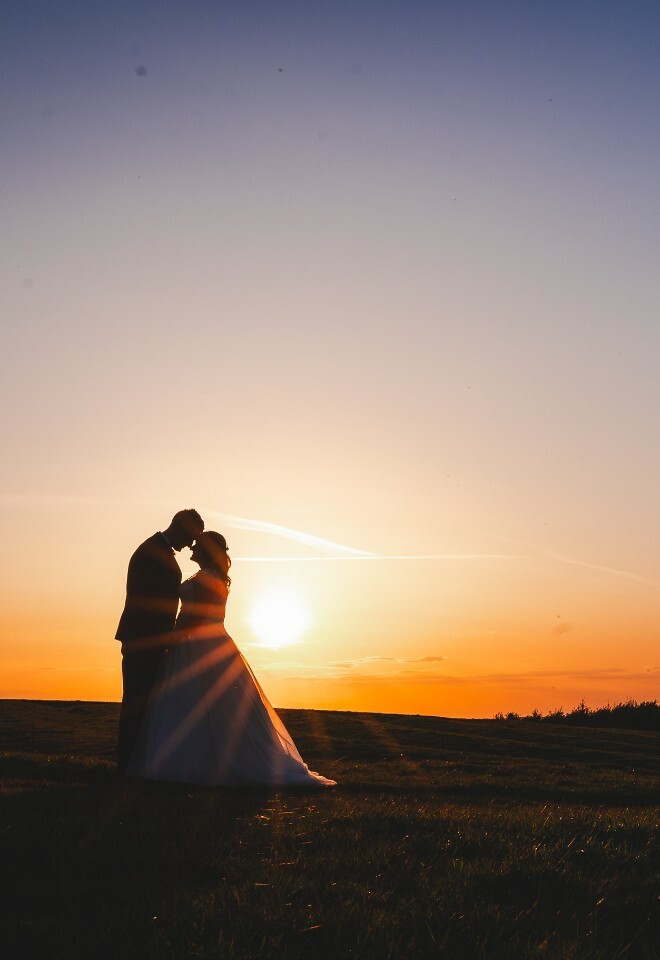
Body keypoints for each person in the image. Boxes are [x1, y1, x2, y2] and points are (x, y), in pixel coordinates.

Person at [127, 531, 336, 788]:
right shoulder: (211, 577)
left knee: (200, 701)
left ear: (206, 551)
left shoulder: (207, 578)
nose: (192, 547)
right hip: (203, 642)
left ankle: (203, 763)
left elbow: (198, 616)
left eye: (198, 545)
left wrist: (174, 637)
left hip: (200, 645)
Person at [115, 508, 204, 773]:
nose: (189, 545)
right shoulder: (152, 553)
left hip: (148, 638)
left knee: (144, 701)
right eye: (190, 537)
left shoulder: (156, 550)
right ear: (179, 528)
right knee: (137, 700)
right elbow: (150, 604)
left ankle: (135, 762)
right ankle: (128, 764)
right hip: (144, 639)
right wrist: (168, 637)